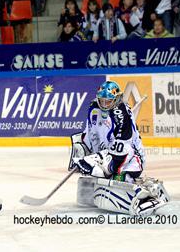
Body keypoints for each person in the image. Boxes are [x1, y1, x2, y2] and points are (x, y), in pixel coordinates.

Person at [71, 81, 169, 216]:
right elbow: (89, 134)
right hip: (108, 154)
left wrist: (97, 163)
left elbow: (123, 149)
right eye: (102, 101)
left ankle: (149, 193)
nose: (104, 105)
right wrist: (84, 154)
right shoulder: (94, 107)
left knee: (119, 178)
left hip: (131, 158)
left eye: (108, 101)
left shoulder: (121, 114)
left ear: (116, 99)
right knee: (95, 171)